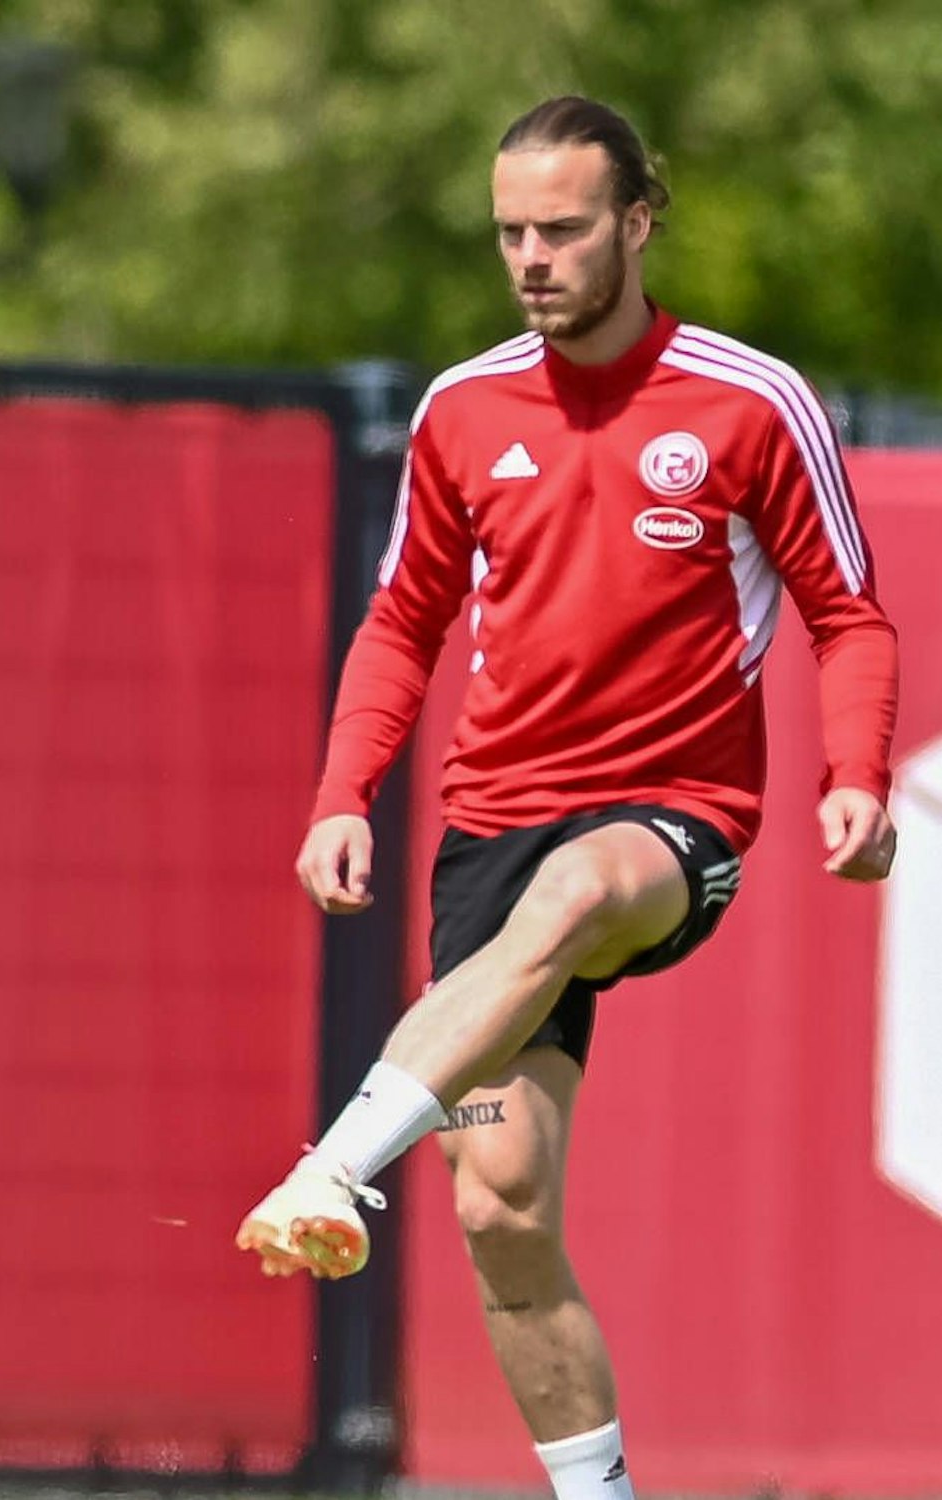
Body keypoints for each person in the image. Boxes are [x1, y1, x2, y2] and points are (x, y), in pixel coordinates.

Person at [235, 96, 899, 1499]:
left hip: (672, 819)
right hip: (492, 825)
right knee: (498, 1211)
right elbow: (399, 620)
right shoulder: (461, 409)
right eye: (508, 234)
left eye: (561, 228)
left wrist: (851, 777)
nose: (530, 257)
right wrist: (341, 789)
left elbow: (848, 616)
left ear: (636, 219)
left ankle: (327, 1171)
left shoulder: (746, 400)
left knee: (583, 886)